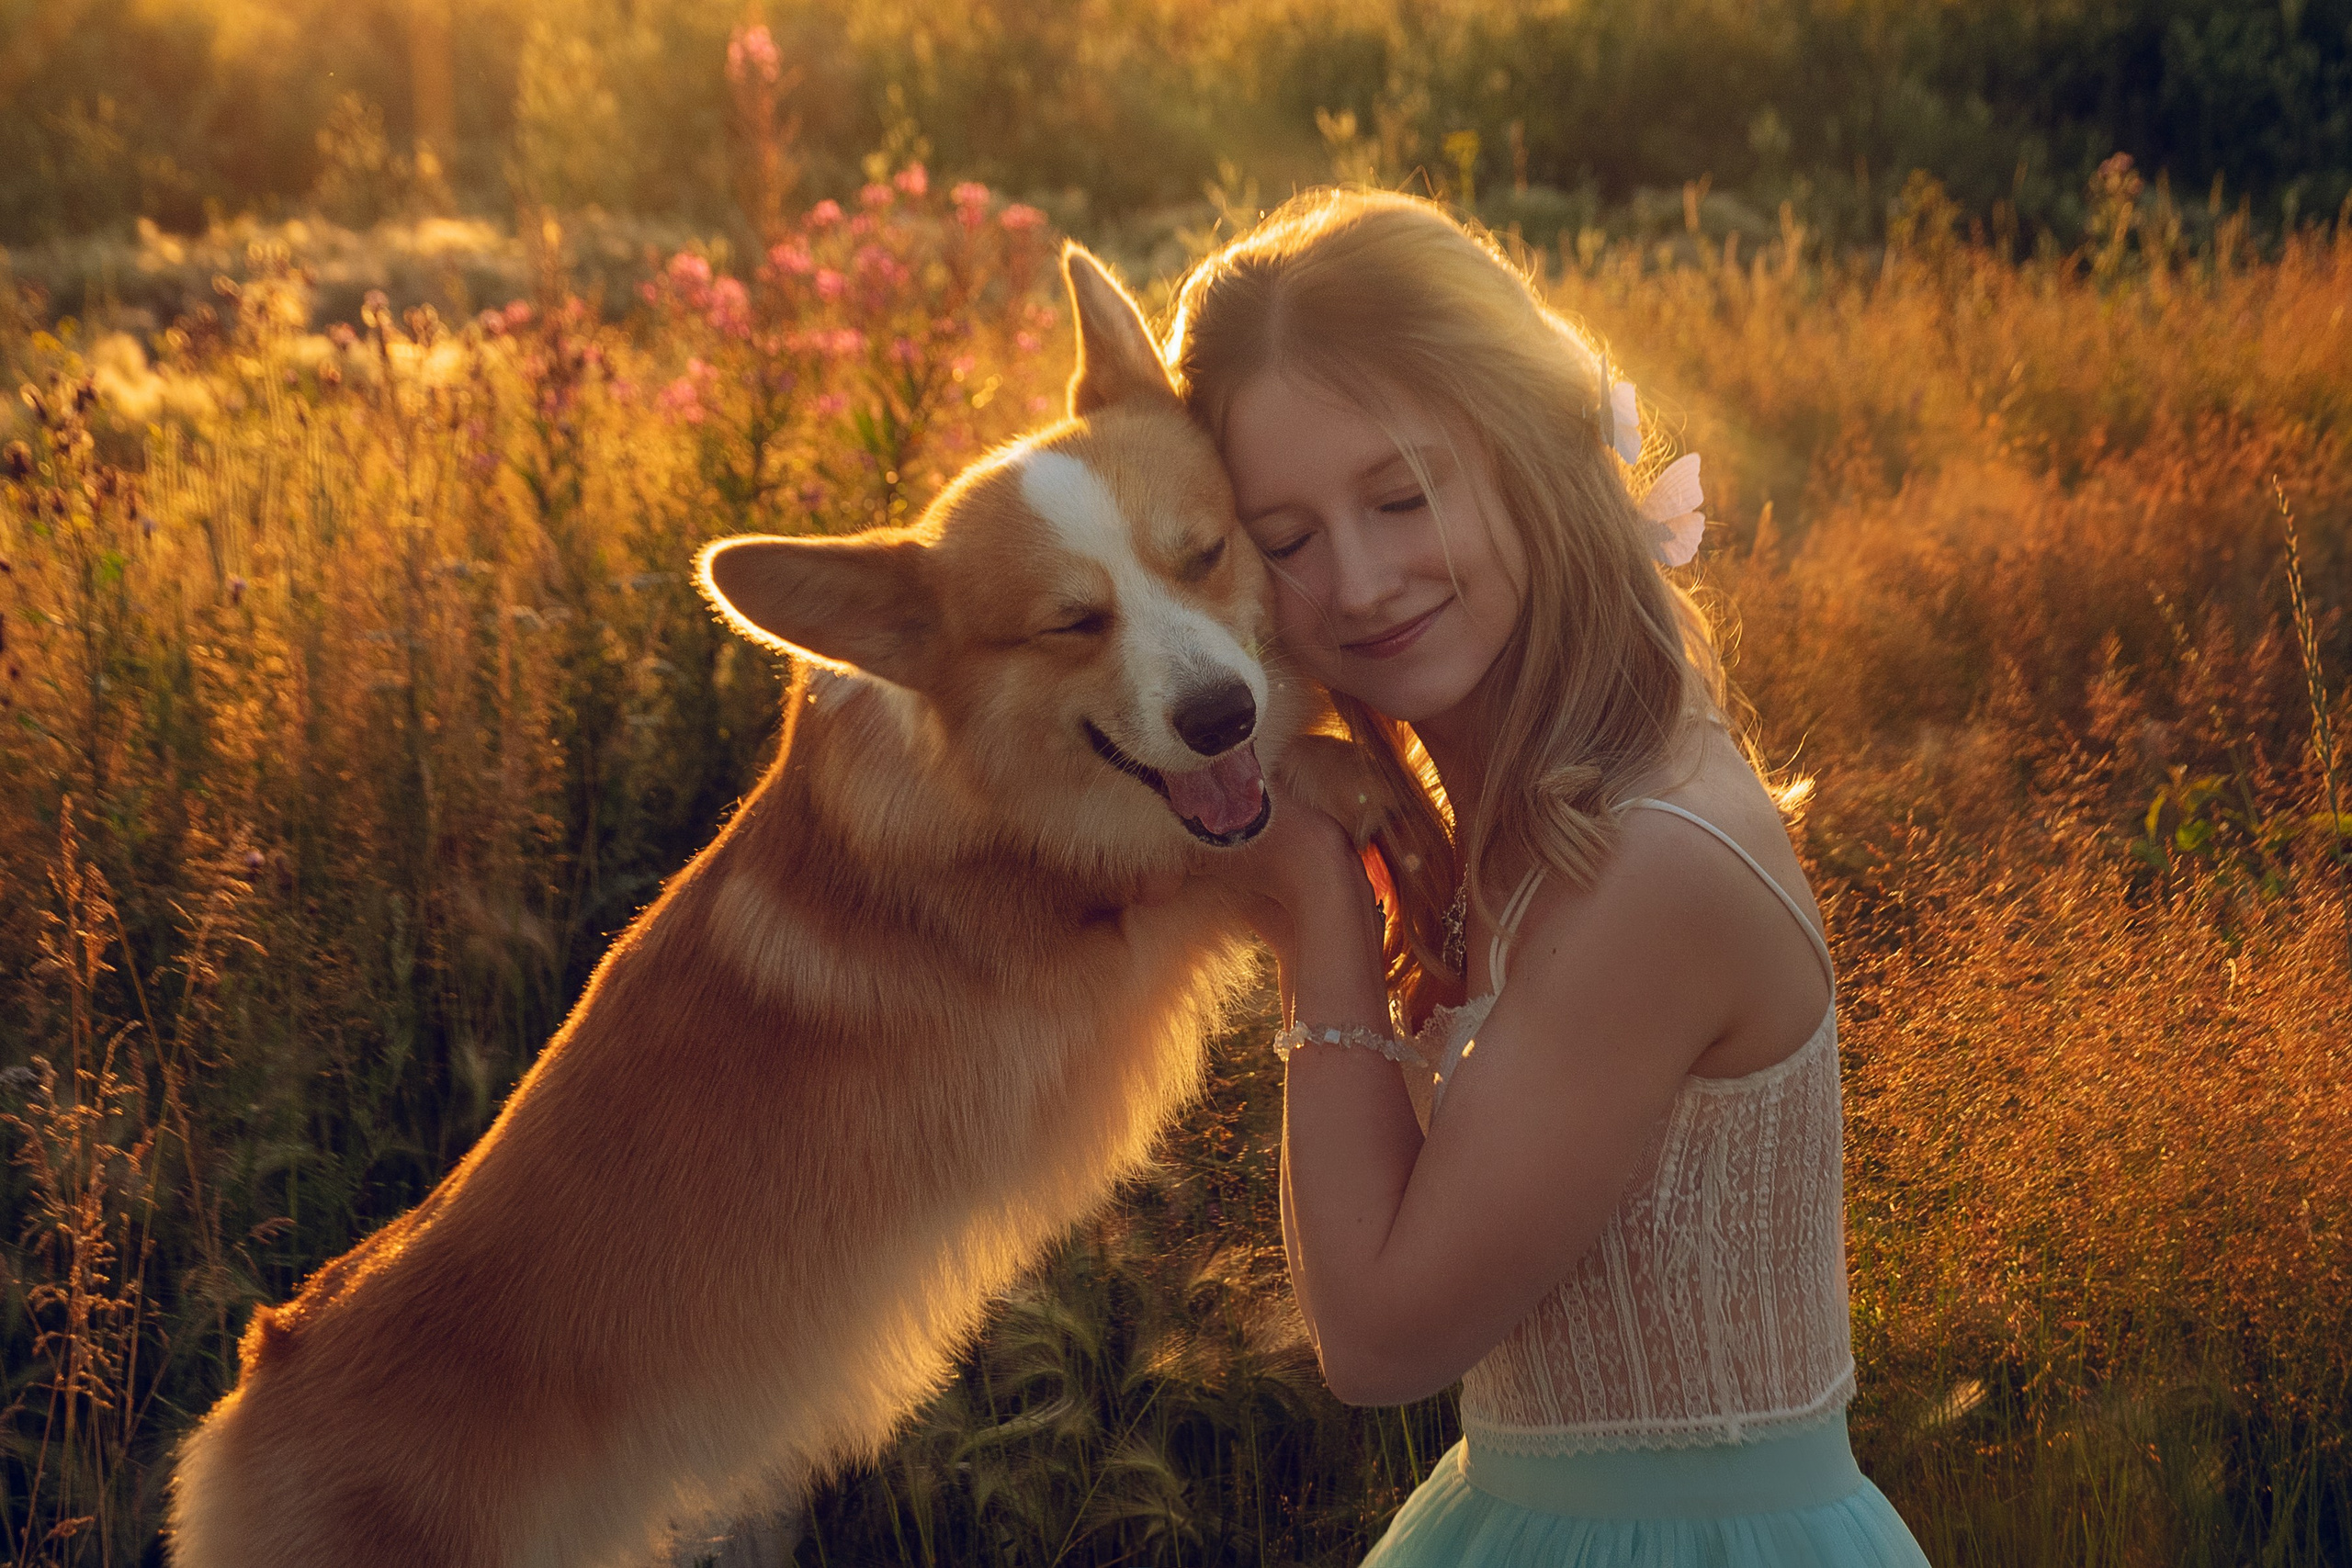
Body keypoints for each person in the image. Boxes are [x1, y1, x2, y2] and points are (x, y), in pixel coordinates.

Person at [1164, 188, 1930, 1564]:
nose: (1359, 579)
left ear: (1530, 455)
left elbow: (1383, 1339)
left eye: (1402, 495)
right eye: (1284, 541)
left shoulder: (1648, 867)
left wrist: (1314, 903)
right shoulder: (1519, 804)